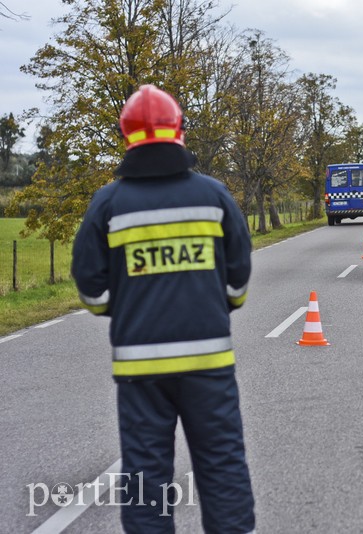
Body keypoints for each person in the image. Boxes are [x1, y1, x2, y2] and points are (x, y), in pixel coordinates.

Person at [71, 85, 255, 533]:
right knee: (221, 465)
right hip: (209, 364)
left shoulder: (108, 204)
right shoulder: (213, 196)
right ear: (180, 132)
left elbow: (91, 287)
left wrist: (129, 309)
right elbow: (238, 279)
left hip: (140, 369)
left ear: (125, 136)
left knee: (145, 478)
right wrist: (214, 305)